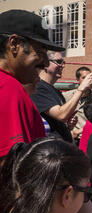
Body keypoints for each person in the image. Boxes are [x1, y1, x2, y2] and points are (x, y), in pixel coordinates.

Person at [0, 9, 65, 160]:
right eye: (40, 52)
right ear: (14, 44)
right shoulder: (8, 87)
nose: (46, 63)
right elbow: (12, 165)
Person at [30, 51, 92, 143]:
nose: (63, 66)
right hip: (52, 148)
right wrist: (81, 89)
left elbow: (60, 118)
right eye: (59, 62)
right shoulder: (38, 87)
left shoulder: (55, 91)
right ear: (45, 63)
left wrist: (67, 125)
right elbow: (61, 115)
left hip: (63, 144)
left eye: (63, 62)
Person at [63, 66, 92, 145]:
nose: (87, 80)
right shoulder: (67, 96)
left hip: (90, 138)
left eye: (89, 77)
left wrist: (80, 131)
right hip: (72, 139)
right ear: (77, 80)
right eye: (84, 78)